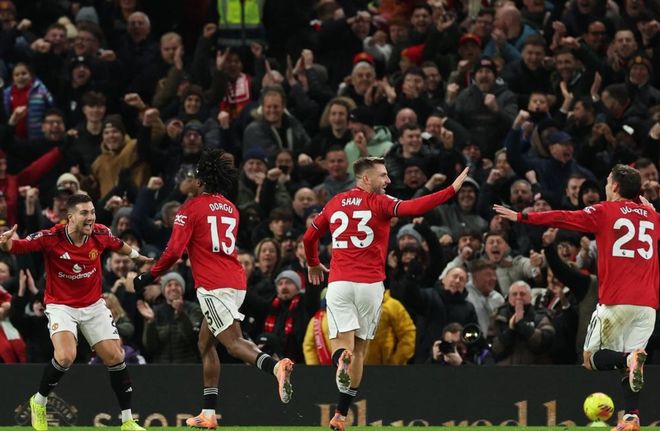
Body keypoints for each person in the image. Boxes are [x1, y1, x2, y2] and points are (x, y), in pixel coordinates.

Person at [303, 157, 469, 431]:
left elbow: (309, 238)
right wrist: (451, 190)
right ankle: (340, 415)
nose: (388, 180)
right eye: (383, 176)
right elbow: (415, 207)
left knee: (342, 345)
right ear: (366, 179)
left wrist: (312, 262)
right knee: (359, 351)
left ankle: (339, 361)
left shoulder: (335, 203)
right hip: (370, 287)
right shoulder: (380, 202)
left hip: (340, 283)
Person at [133, 148, 294, 429]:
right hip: (236, 282)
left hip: (213, 286)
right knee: (205, 343)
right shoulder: (231, 208)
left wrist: (149, 276)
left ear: (199, 181)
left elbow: (173, 252)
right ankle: (208, 413)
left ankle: (274, 366)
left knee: (233, 343)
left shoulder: (189, 208)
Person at [494, 164, 659, 431]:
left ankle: (627, 359)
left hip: (616, 301)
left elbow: (562, 217)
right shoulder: (652, 217)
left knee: (591, 358)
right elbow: (642, 214)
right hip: (648, 305)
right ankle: (631, 416)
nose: (606, 186)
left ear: (616, 186)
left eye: (608, 182)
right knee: (632, 363)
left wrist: (522, 216)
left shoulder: (604, 211)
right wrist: (646, 205)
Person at [0, 193, 152, 431]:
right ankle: (38, 401)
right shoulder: (51, 237)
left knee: (116, 357)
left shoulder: (100, 233)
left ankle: (127, 421)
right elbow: (17, 247)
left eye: (92, 212)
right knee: (65, 357)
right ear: (70, 217)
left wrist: (137, 256)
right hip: (61, 306)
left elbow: (118, 245)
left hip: (93, 305)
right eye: (84, 213)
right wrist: (5, 243)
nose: (90, 217)